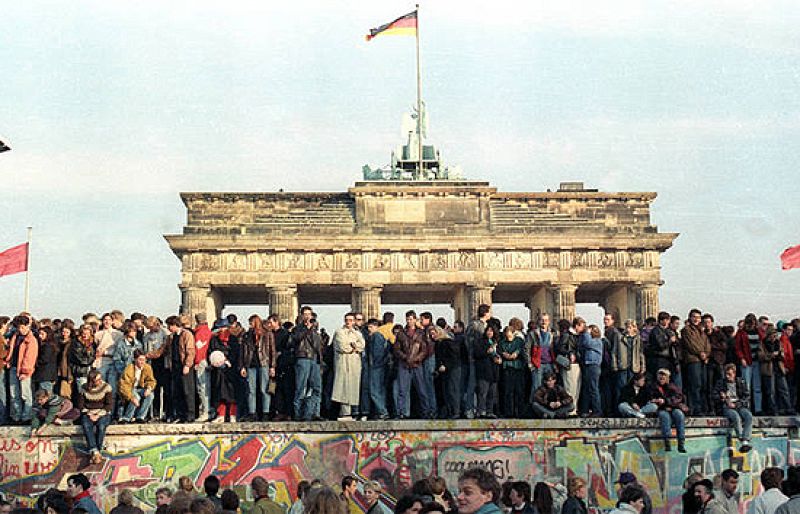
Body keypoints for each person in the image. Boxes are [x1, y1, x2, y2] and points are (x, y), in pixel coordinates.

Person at [147, 316, 196, 423]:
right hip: (174, 367)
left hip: (184, 366)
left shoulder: (187, 334)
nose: (168, 328)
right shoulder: (170, 337)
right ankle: (180, 415)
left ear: (175, 325)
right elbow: (162, 350)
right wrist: (148, 355)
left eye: (170, 325)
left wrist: (187, 365)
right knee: (177, 392)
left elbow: (190, 351)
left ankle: (190, 415)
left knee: (187, 391)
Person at [241, 315, 276, 422]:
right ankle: (252, 413)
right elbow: (243, 352)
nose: (250, 325)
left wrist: (272, 366)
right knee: (251, 390)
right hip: (250, 364)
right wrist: (243, 366)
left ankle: (266, 412)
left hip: (264, 363)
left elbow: (272, 351)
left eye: (251, 323)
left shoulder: (267, 334)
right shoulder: (247, 335)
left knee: (264, 389)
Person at [292, 307, 324, 421]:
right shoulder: (297, 329)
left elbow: (318, 346)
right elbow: (296, 340)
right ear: (301, 316)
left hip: (314, 359)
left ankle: (313, 413)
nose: (307, 317)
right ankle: (298, 413)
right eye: (305, 314)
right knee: (301, 387)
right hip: (303, 358)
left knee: (317, 387)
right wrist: (307, 329)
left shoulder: (315, 330)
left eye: (309, 314)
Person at [5, 315, 38, 424]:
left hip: (24, 370)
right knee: (14, 394)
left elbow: (30, 357)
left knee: (25, 394)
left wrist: (26, 372)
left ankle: (26, 417)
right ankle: (16, 417)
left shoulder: (31, 340)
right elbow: (11, 350)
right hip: (14, 367)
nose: (21, 330)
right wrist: (8, 360)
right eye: (20, 327)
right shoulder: (15, 336)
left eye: (23, 327)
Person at [332, 313, 366, 420]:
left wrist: (354, 346)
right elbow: (342, 346)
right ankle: (345, 413)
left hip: (354, 363)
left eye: (351, 320)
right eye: (347, 320)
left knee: (353, 388)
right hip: (343, 362)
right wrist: (353, 347)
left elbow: (362, 345)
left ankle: (353, 412)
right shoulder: (339, 332)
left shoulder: (357, 333)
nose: (348, 322)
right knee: (343, 388)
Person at [712, 364, 753, 452]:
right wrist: (721, 397)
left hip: (738, 405)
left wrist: (737, 404)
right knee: (735, 417)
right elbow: (714, 396)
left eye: (730, 374)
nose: (728, 376)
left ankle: (746, 440)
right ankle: (742, 439)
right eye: (726, 374)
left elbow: (747, 396)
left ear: (734, 373)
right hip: (727, 407)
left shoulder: (740, 382)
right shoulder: (721, 383)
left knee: (748, 416)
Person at [77, 369, 113, 465]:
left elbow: (109, 405)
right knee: (86, 425)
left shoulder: (106, 387)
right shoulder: (83, 388)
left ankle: (95, 451)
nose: (100, 381)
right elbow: (80, 405)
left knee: (101, 426)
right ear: (91, 381)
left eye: (100, 379)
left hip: (103, 412)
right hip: (89, 412)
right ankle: (96, 451)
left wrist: (98, 414)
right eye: (97, 380)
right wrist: (90, 414)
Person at [648, 368, 687, 452]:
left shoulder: (673, 387)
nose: (661, 378)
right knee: (664, 416)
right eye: (660, 376)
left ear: (668, 378)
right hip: (661, 409)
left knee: (679, 414)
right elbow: (650, 398)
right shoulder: (653, 387)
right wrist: (656, 401)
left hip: (673, 408)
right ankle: (667, 442)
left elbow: (679, 398)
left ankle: (681, 442)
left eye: (664, 376)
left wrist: (666, 402)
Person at [682, 309, 711, 415]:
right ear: (690, 317)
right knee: (695, 385)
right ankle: (695, 408)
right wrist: (700, 353)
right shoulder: (686, 330)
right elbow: (691, 344)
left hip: (702, 361)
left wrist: (706, 354)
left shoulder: (702, 331)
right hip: (693, 360)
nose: (696, 319)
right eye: (694, 317)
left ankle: (703, 408)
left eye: (698, 317)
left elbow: (707, 344)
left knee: (703, 385)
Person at [117, 350, 157, 423]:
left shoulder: (147, 367)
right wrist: (131, 397)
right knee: (136, 397)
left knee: (150, 395)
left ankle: (140, 416)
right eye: (140, 360)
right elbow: (124, 386)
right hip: (130, 389)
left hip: (140, 388)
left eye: (144, 360)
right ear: (135, 359)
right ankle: (127, 417)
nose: (142, 362)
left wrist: (149, 388)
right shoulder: (129, 368)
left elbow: (151, 380)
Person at [474, 326, 501, 419]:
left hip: (494, 371)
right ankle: (481, 411)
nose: (489, 332)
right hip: (484, 371)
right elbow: (477, 354)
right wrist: (487, 352)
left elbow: (499, 353)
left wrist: (499, 359)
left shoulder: (496, 343)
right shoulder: (481, 342)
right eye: (488, 330)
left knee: (492, 393)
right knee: (482, 393)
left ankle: (490, 411)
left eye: (491, 331)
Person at [499, 325, 526, 418]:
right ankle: (508, 412)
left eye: (510, 335)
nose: (508, 337)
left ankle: (519, 412)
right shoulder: (502, 342)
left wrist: (517, 353)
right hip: (507, 368)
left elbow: (522, 350)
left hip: (518, 368)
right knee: (508, 391)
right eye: (507, 334)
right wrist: (504, 354)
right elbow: (500, 351)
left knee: (519, 391)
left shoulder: (519, 341)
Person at [579, 324, 604, 417]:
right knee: (586, 388)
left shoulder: (598, 341)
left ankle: (597, 410)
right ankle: (585, 410)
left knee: (593, 388)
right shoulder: (590, 339)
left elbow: (587, 343)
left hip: (593, 366)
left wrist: (586, 333)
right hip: (588, 365)